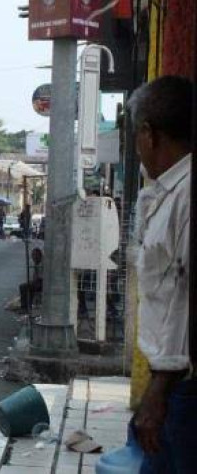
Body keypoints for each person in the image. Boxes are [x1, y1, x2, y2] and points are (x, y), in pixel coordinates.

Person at [126, 76, 194, 472]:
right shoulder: (165, 191)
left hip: (178, 388)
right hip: (169, 384)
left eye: (137, 134)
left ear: (149, 134)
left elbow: (183, 294)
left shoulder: (186, 194)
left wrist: (159, 391)